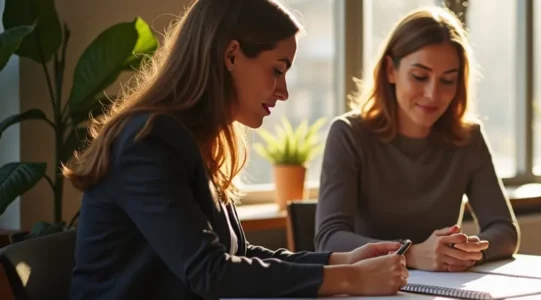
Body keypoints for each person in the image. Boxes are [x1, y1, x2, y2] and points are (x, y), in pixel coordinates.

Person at [62, 0, 408, 299]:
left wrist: (344, 261)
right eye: (277, 70)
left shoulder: (195, 138)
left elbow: (237, 255)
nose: (283, 91)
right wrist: (350, 279)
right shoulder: (147, 141)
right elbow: (209, 272)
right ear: (231, 55)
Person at [314, 7, 520, 273]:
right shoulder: (349, 134)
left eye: (448, 80)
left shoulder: (468, 139)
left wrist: (459, 253)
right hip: (370, 289)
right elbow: (328, 239)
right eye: (420, 76)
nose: (433, 94)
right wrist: (409, 254)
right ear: (391, 70)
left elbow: (505, 230)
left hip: (443, 288)